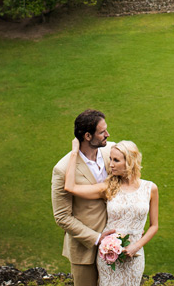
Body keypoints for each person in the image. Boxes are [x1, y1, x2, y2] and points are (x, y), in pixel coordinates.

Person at [63, 138, 159, 286]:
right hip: (109, 255)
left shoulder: (150, 188)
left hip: (135, 255)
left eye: (116, 160)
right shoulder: (108, 187)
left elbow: (154, 226)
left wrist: (136, 246)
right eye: (110, 159)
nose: (111, 164)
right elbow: (70, 188)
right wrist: (74, 153)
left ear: (130, 161)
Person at [52, 110, 115, 286]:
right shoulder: (62, 169)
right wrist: (97, 238)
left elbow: (132, 184)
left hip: (118, 243)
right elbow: (62, 217)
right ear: (87, 136)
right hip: (85, 251)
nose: (107, 135)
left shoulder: (113, 151)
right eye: (102, 132)